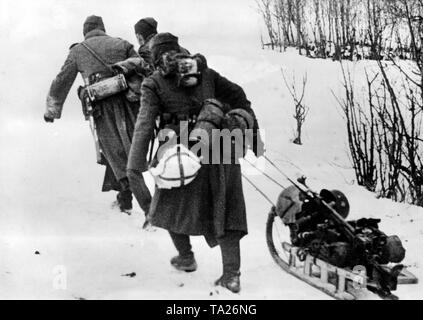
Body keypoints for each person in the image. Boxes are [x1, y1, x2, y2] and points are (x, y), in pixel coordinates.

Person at [127, 33, 263, 293]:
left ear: (155, 58)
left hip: (178, 151)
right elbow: (238, 95)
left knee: (166, 204)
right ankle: (231, 275)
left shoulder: (153, 82)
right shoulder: (205, 72)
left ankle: (186, 257)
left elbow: (144, 125)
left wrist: (134, 163)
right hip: (219, 144)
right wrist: (252, 133)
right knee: (226, 207)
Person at [44, 15, 148, 214]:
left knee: (113, 151)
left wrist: (51, 110)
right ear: (102, 28)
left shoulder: (78, 51)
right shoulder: (122, 44)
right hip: (130, 103)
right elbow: (140, 66)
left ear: (85, 32)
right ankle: (126, 198)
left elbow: (61, 81)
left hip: (102, 109)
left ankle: (139, 204)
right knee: (128, 149)